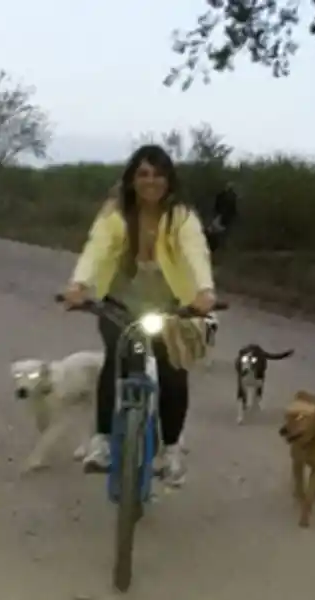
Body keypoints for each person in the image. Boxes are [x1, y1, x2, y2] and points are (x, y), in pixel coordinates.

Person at [60, 144, 217, 487]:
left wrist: (205, 291)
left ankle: (171, 451)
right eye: (143, 174)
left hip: (172, 306)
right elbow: (96, 248)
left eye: (158, 174)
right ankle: (101, 441)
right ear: (132, 179)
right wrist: (79, 284)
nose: (151, 181)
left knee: (173, 372)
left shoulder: (182, 217)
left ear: (169, 180)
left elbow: (196, 251)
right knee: (115, 359)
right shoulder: (115, 215)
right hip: (119, 304)